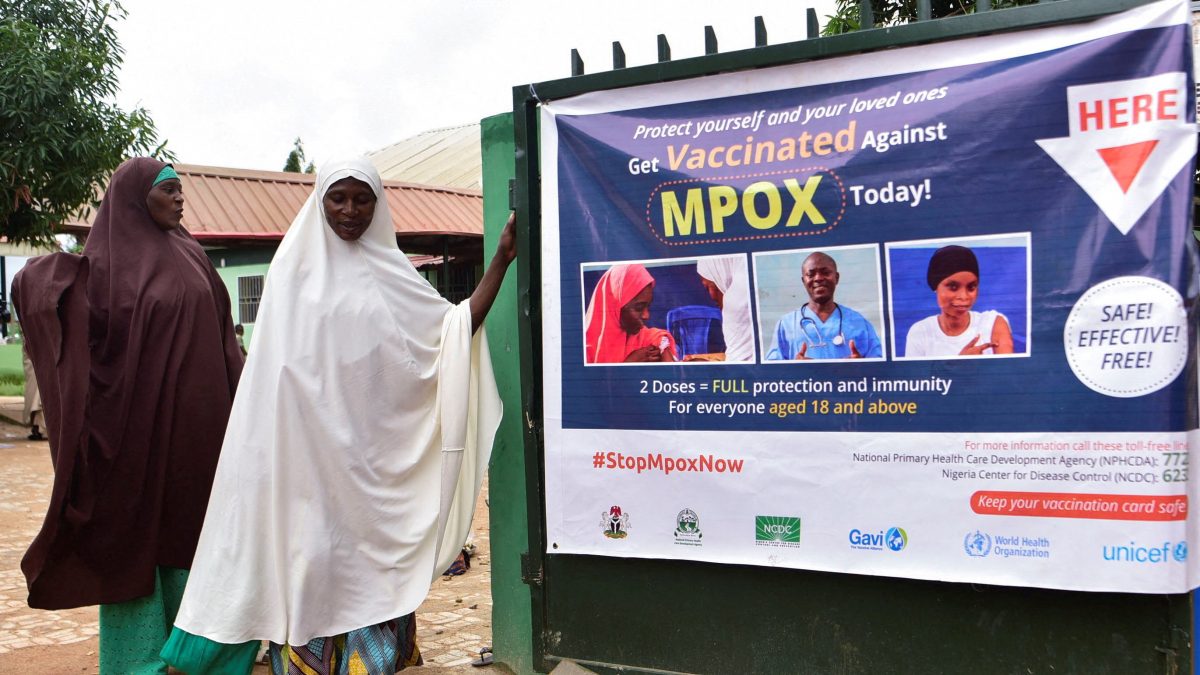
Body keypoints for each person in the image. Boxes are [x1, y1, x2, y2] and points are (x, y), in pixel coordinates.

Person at [161, 158, 512, 675]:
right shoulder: (290, 274)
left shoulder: (394, 276)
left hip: (373, 479)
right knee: (309, 582)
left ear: (379, 203)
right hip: (306, 475)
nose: (350, 210)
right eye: (338, 198)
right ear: (319, 201)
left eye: (362, 198)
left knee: (371, 584)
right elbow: (272, 385)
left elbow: (452, 336)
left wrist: (501, 261)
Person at [12, 157, 244, 674]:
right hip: (135, 431)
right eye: (168, 190)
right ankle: (137, 661)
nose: (180, 198)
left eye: (181, 190)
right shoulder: (108, 264)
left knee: (200, 529)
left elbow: (224, 330)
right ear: (137, 198)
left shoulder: (193, 253)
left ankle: (204, 653)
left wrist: (248, 394)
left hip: (201, 431)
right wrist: (41, 280)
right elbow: (80, 332)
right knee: (137, 537)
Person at [765, 251, 882, 360]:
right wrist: (794, 370)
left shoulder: (859, 322)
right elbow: (770, 374)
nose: (818, 278)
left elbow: (882, 369)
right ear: (803, 281)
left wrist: (863, 367)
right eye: (811, 275)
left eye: (825, 273)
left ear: (836, 278)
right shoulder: (787, 324)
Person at [904, 244, 1014, 357]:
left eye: (971, 287)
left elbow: (1010, 371)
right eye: (953, 287)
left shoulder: (993, 323)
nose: (964, 296)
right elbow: (915, 375)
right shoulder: (920, 332)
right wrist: (960, 363)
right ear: (935, 286)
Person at [584, 263, 677, 363]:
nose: (647, 316)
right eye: (639, 308)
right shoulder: (584, 351)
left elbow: (671, 368)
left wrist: (664, 347)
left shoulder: (649, 340)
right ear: (615, 306)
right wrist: (629, 363)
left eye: (648, 306)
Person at [695, 256, 755, 362]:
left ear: (721, 273)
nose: (712, 296)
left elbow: (737, 365)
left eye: (709, 286)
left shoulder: (736, 301)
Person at [20, 341, 43, 441]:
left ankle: (38, 428)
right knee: (36, 392)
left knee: (40, 394)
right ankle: (37, 428)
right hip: (34, 349)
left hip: (43, 351)